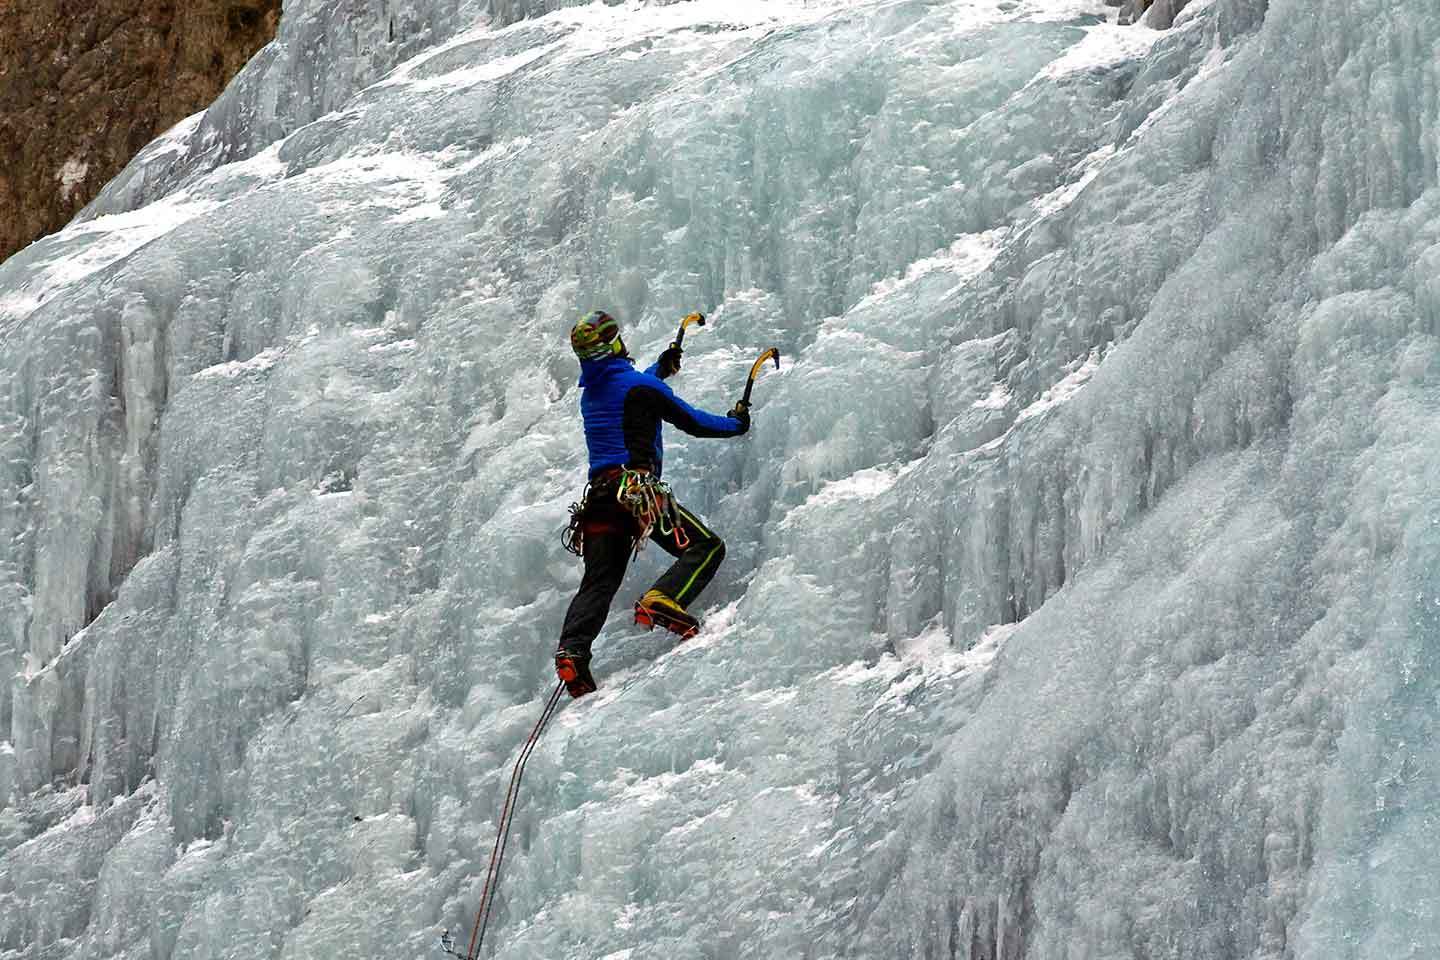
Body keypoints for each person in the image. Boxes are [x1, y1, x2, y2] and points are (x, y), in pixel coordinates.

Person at [554, 310, 750, 698]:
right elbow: (693, 422)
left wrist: (660, 368)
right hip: (635, 495)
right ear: (614, 344)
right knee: (706, 547)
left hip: (599, 503)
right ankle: (665, 598)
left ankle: (573, 652)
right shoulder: (639, 388)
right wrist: (736, 423)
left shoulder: (592, 395)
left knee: (599, 582)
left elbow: (631, 389)